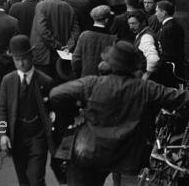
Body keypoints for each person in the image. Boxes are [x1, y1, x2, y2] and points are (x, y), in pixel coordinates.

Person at [50, 41, 189, 186]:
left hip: (87, 151)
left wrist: (73, 112)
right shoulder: (145, 88)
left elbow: (56, 94)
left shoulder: (92, 83)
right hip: (122, 156)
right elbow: (181, 98)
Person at [0, 35, 54, 186]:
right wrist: (2, 134)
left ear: (31, 56)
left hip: (38, 136)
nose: (21, 63)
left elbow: (52, 110)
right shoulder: (8, 81)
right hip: (17, 136)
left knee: (36, 178)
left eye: (24, 58)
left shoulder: (45, 81)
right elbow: (1, 109)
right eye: (17, 60)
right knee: (23, 180)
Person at [30, 0, 79, 79]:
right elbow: (76, 30)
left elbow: (42, 30)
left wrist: (57, 46)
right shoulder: (68, 6)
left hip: (45, 55)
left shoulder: (41, 5)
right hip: (63, 54)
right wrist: (69, 46)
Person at [71, 5, 116, 77]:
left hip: (85, 78)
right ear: (107, 20)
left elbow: (75, 60)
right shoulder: (112, 39)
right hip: (104, 80)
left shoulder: (84, 35)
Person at [155, 0, 184, 88]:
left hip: (169, 72)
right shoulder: (175, 26)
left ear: (164, 12)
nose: (156, 14)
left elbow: (168, 54)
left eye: (157, 11)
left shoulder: (168, 28)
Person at [127, 10, 159, 79]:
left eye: (134, 23)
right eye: (129, 24)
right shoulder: (142, 34)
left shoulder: (146, 37)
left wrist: (147, 74)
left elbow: (153, 59)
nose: (131, 27)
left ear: (143, 22)